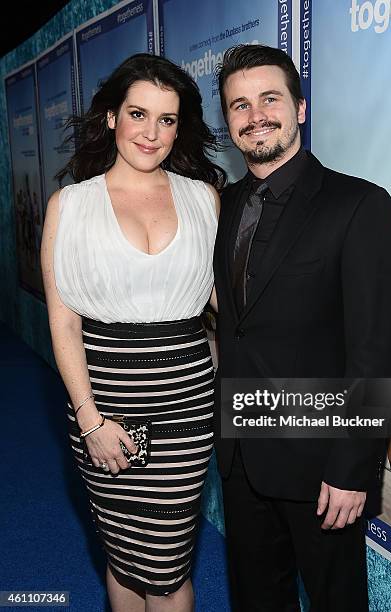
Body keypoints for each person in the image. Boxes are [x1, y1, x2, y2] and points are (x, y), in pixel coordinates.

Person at [213, 44, 391, 611]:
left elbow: (376, 349)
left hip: (322, 465)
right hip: (242, 457)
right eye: (239, 106)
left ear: (300, 107)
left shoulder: (359, 204)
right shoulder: (223, 206)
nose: (256, 116)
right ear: (228, 122)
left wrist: (353, 467)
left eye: (269, 99)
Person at [41, 53, 225, 612]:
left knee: (167, 566)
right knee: (123, 554)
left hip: (185, 410)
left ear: (180, 127)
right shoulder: (70, 207)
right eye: (138, 114)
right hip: (107, 407)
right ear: (111, 118)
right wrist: (90, 420)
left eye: (167, 120)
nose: (151, 132)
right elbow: (64, 322)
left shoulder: (203, 199)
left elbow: (230, 305)